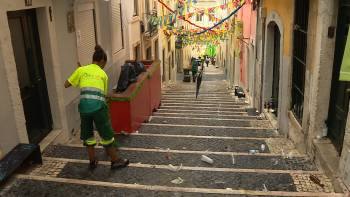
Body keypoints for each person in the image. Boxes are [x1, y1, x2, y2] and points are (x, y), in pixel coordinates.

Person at [64, 45, 129, 170]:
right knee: (106, 133)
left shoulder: (81, 70)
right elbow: (102, 95)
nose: (104, 65)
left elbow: (66, 84)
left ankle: (92, 161)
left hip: (83, 108)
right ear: (101, 61)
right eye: (104, 63)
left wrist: (78, 75)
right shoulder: (103, 74)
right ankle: (115, 160)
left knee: (87, 135)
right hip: (98, 107)